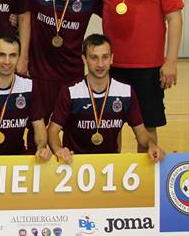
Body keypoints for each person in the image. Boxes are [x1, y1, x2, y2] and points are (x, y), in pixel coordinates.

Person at [91, 0, 184, 145]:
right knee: (110, 127)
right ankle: (113, 168)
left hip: (148, 67)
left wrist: (170, 62)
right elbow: (91, 8)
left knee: (147, 127)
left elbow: (174, 18)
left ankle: (147, 168)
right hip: (110, 65)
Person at [48, 34, 165, 164]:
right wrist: (59, 150)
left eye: (105, 57)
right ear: (84, 59)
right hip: (75, 164)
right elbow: (52, 131)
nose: (100, 64)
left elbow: (141, 133)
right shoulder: (70, 92)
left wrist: (151, 144)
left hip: (110, 164)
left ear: (111, 58)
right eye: (94, 58)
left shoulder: (125, 92)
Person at [27, 0, 103, 119]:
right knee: (37, 126)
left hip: (72, 74)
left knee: (73, 126)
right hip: (40, 73)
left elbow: (112, 16)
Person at [0, 34, 51, 168]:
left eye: (12, 55)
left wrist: (41, 147)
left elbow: (39, 126)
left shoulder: (29, 86)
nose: (7, 61)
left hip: (16, 159)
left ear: (19, 58)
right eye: (1, 55)